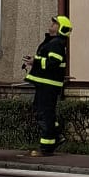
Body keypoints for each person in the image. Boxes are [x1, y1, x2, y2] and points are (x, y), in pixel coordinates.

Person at [27, 14, 71, 154]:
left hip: (48, 85)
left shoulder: (56, 43)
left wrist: (36, 61)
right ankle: (57, 135)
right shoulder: (53, 42)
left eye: (55, 23)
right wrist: (35, 60)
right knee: (43, 112)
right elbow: (48, 61)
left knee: (45, 114)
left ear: (61, 29)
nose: (51, 24)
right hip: (45, 85)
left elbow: (53, 63)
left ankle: (46, 147)